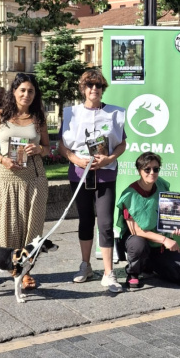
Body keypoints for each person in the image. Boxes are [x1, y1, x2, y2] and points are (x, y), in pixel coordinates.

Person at [59, 69, 126, 293]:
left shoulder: (115, 113)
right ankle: (85, 265)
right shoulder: (71, 113)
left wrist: (109, 158)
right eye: (90, 85)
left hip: (105, 174)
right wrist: (75, 159)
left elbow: (122, 144)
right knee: (85, 220)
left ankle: (108, 272)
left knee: (106, 223)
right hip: (80, 176)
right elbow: (63, 145)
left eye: (98, 86)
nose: (94, 89)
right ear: (83, 89)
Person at [0, 73, 49, 289]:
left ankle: (25, 269)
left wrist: (39, 149)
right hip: (8, 176)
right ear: (14, 92)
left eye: (31, 91)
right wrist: (3, 159)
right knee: (3, 226)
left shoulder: (39, 118)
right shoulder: (1, 115)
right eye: (22, 90)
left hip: (34, 179)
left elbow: (48, 148)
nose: (26, 94)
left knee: (32, 227)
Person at [116, 152, 180, 289]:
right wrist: (165, 240)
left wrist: (176, 224)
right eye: (147, 169)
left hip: (159, 246)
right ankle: (133, 273)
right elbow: (137, 231)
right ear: (139, 171)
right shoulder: (129, 195)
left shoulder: (161, 185)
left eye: (156, 169)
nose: (152, 172)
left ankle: (150, 264)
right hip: (139, 240)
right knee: (137, 243)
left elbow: (168, 214)